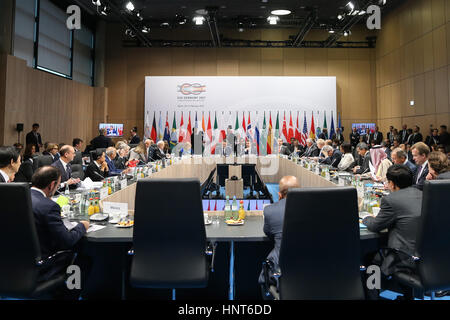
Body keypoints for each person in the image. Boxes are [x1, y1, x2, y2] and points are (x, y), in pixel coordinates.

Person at [361, 165, 422, 289]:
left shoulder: (390, 200)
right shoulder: (422, 194)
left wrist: (366, 217)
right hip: (425, 256)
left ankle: (373, 294)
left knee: (370, 259)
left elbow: (375, 226)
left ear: (392, 184)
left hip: (403, 256)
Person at [30, 166, 89, 282]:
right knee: (84, 260)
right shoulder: (48, 206)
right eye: (57, 186)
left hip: (15, 263)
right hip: (43, 265)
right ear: (51, 185)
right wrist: (82, 226)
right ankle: (68, 294)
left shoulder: (20, 197)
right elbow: (67, 240)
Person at [258, 176, 300, 292]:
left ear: (279, 194)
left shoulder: (270, 211)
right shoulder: (315, 210)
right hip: (313, 274)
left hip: (282, 275)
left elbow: (268, 233)